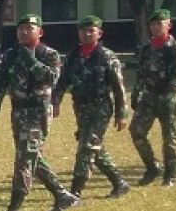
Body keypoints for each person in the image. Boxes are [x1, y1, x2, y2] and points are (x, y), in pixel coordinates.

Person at [0, 13, 79, 211]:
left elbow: (51, 78)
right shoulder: (10, 55)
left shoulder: (49, 54)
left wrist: (30, 59)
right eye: (21, 29)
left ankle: (14, 208)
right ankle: (62, 195)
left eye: (29, 28)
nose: (24, 32)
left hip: (38, 113)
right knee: (31, 155)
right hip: (18, 112)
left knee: (25, 158)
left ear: (40, 32)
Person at [51, 15, 131, 199]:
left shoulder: (106, 56)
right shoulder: (72, 55)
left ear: (99, 33)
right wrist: (56, 103)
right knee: (94, 146)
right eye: (83, 30)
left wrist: (121, 113)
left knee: (86, 146)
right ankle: (119, 182)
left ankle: (75, 191)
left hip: (101, 107)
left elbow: (119, 88)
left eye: (91, 31)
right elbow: (62, 81)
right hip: (81, 107)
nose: (86, 34)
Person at [130, 8, 176, 187]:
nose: (155, 27)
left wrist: (170, 92)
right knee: (136, 131)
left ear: (168, 25)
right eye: (153, 24)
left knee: (169, 139)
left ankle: (169, 175)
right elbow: (141, 73)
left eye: (159, 24)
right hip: (148, 97)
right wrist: (135, 92)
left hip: (167, 98)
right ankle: (152, 167)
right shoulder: (146, 49)